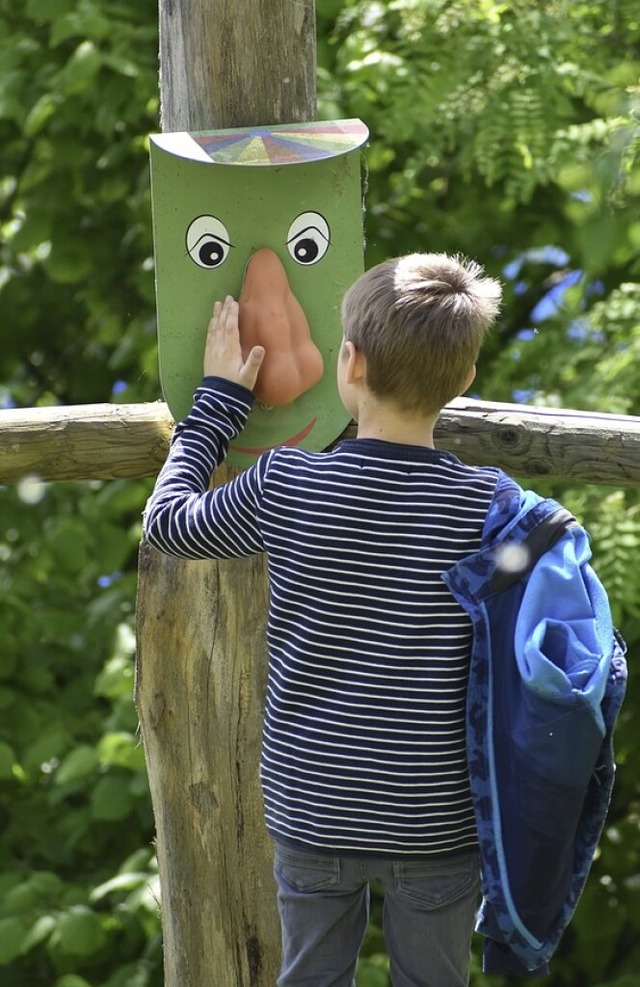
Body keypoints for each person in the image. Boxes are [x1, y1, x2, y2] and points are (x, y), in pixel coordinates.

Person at [143, 253, 623, 985]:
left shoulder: (289, 483)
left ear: (349, 361)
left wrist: (217, 400)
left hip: (315, 807)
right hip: (437, 822)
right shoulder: (493, 512)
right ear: (463, 381)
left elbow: (170, 526)